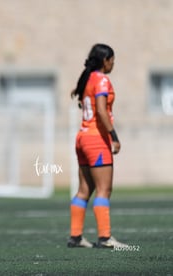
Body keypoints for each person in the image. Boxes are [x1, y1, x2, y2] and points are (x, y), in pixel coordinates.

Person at [67, 44, 128, 249]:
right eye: (112, 60)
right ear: (105, 60)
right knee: (104, 190)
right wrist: (114, 136)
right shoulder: (101, 79)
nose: (113, 64)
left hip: (82, 138)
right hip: (96, 140)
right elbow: (101, 111)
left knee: (84, 189)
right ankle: (105, 237)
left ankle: (75, 237)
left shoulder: (88, 78)